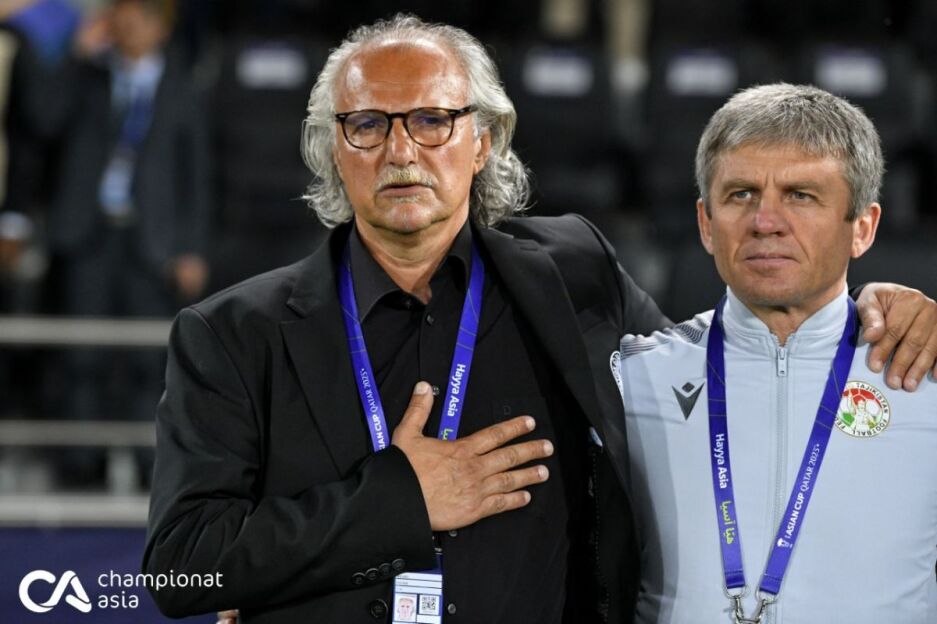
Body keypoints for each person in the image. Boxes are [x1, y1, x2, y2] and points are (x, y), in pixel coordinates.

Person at [144, 16, 937, 624]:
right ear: (332, 149)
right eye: (368, 125)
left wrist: (875, 309)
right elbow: (179, 572)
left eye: (432, 119)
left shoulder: (571, 272)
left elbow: (730, 361)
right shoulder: (234, 334)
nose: (401, 151)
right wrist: (395, 502)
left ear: (483, 141)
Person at [618, 83, 937, 624]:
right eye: (741, 194)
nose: (765, 221)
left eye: (800, 195)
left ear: (862, 227)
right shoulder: (632, 378)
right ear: (706, 224)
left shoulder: (923, 371)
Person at [47, 0, 209, 486]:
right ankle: (81, 467)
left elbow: (197, 174)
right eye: (121, 16)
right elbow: (42, 122)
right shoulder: (86, 77)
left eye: (138, 18)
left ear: (161, 28)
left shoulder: (184, 86)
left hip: (152, 242)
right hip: (88, 235)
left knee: (150, 361)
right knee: (81, 356)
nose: (126, 27)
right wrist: (76, 57)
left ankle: (149, 468)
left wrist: (192, 247)